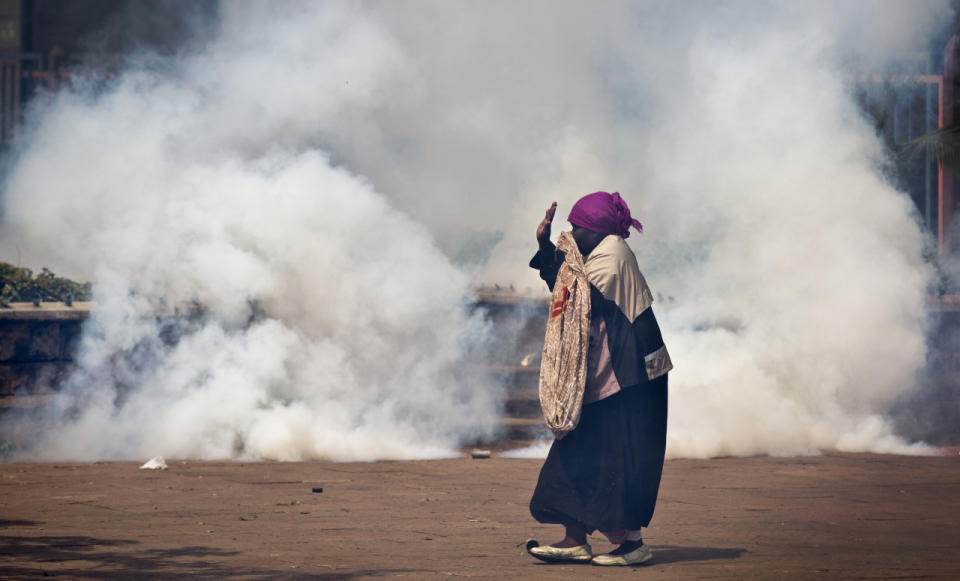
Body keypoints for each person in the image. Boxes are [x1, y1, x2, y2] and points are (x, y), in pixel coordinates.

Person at [526, 191, 672, 566]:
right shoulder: (593, 255)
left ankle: (632, 545)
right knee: (578, 450)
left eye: (578, 227)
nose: (572, 232)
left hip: (631, 380)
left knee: (622, 458)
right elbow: (566, 288)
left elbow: (577, 293)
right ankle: (574, 539)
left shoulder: (613, 255)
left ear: (597, 229)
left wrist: (556, 254)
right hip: (606, 376)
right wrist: (545, 245)